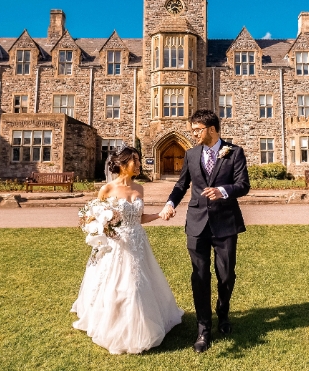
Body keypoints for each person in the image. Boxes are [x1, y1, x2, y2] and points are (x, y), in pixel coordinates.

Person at [71, 147, 183, 354]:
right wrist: (98, 229)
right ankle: (113, 321)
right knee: (118, 283)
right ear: (123, 163)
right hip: (116, 244)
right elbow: (95, 217)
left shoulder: (139, 189)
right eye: (136, 160)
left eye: (139, 160)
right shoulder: (106, 189)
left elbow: (138, 218)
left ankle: (145, 320)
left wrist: (159, 215)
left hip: (138, 241)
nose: (139, 164)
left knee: (139, 282)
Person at [159, 110, 250, 353]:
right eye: (193, 130)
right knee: (199, 276)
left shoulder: (234, 152)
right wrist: (170, 204)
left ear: (211, 129)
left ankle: (223, 310)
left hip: (225, 222)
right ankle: (203, 329)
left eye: (197, 129)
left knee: (226, 274)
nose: (194, 133)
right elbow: (181, 185)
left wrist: (223, 191)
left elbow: (244, 185)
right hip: (197, 221)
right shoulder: (190, 154)